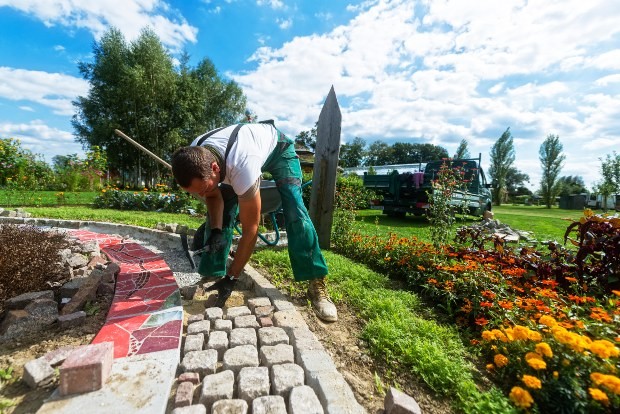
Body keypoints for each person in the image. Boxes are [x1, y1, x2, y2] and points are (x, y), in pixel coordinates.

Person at [171, 122, 338, 322]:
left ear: (215, 168)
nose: (200, 195)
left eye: (202, 189)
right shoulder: (196, 153)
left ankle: (316, 283)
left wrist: (232, 278)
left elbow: (251, 230)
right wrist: (215, 231)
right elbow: (214, 197)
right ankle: (212, 274)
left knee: (295, 209)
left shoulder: (243, 164)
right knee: (219, 218)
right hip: (234, 160)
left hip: (279, 149)